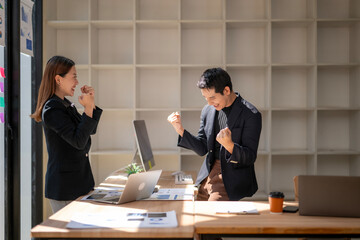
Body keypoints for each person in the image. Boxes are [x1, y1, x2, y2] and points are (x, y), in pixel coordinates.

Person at [168, 68, 262, 201]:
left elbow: (250, 157)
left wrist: (230, 146)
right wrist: (180, 130)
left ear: (227, 91)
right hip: (207, 174)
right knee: (196, 212)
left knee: (210, 218)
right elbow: (202, 148)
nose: (209, 103)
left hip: (230, 177)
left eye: (212, 97)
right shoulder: (208, 110)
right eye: (205, 98)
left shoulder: (251, 114)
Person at [31, 56, 102, 213]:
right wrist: (88, 109)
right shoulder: (52, 109)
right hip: (65, 188)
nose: (77, 82)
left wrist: (91, 105)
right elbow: (78, 141)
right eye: (74, 77)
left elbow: (90, 130)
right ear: (58, 79)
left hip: (79, 184)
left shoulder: (65, 104)